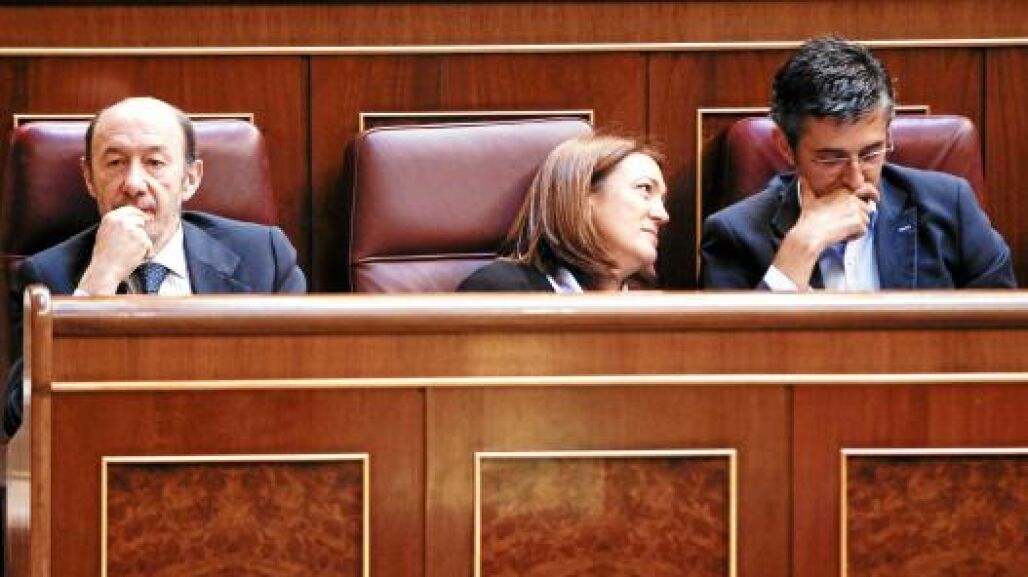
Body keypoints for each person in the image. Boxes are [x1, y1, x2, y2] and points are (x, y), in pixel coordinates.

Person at [4, 96, 306, 437]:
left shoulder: (263, 257)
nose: (133, 184)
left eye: (155, 163)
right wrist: (97, 283)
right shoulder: (44, 278)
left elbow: (304, 388)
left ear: (190, 178)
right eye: (115, 162)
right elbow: (18, 420)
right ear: (89, 178)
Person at [700, 37, 1015, 290]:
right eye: (831, 158)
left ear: (887, 134)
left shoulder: (951, 207)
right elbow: (727, 349)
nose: (855, 179)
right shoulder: (734, 234)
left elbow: (1005, 329)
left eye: (871, 153)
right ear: (786, 148)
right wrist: (802, 247)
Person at [459, 134, 668, 292]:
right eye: (644, 189)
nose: (663, 215)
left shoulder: (654, 305)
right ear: (581, 196)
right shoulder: (501, 290)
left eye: (662, 200)